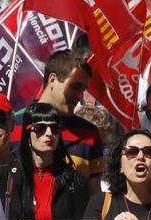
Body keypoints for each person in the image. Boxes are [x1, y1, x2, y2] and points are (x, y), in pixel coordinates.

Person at [12, 50, 104, 192]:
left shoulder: (89, 134)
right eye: (75, 87)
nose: (80, 96)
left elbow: (94, 195)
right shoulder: (13, 126)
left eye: (83, 90)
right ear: (53, 80)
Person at [0, 102, 88, 220]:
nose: (49, 133)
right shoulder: (7, 176)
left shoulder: (74, 180)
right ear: (27, 134)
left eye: (55, 128)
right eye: (40, 128)